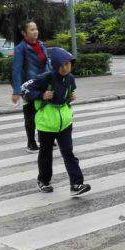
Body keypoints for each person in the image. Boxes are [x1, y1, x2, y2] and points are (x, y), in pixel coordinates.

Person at [21, 47, 91, 196]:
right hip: (46, 124)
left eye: (68, 64)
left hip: (64, 123)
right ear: (55, 65)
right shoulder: (45, 78)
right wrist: (41, 95)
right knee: (46, 155)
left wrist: (70, 98)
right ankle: (43, 181)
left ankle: (76, 184)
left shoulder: (70, 78)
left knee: (68, 153)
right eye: (62, 64)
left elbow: (65, 96)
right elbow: (24, 89)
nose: (66, 67)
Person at [11, 21, 51, 153]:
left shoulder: (42, 45)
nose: (35, 32)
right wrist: (16, 91)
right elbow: (16, 71)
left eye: (36, 29)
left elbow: (48, 64)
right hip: (28, 86)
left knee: (44, 112)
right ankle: (31, 142)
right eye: (32, 29)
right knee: (30, 115)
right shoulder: (20, 49)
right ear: (24, 33)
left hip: (43, 84)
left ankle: (43, 138)